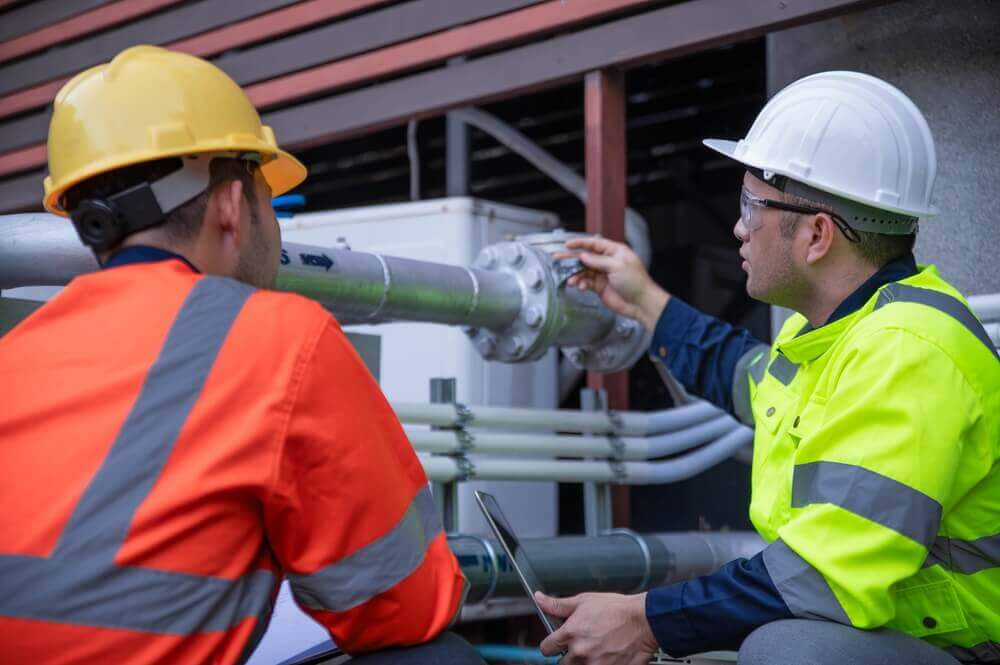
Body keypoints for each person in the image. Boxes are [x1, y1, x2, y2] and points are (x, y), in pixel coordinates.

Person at [0, 46, 482, 665]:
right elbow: (403, 605)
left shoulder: (16, 352)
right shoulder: (278, 338)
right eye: (266, 193)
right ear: (231, 204)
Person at [536, 71, 1000, 665]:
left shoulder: (910, 351)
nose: (738, 227)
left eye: (750, 205)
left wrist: (646, 619)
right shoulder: (833, 335)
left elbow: (822, 577)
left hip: (971, 648)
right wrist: (645, 302)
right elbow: (747, 377)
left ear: (816, 234)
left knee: (788, 650)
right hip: (907, 636)